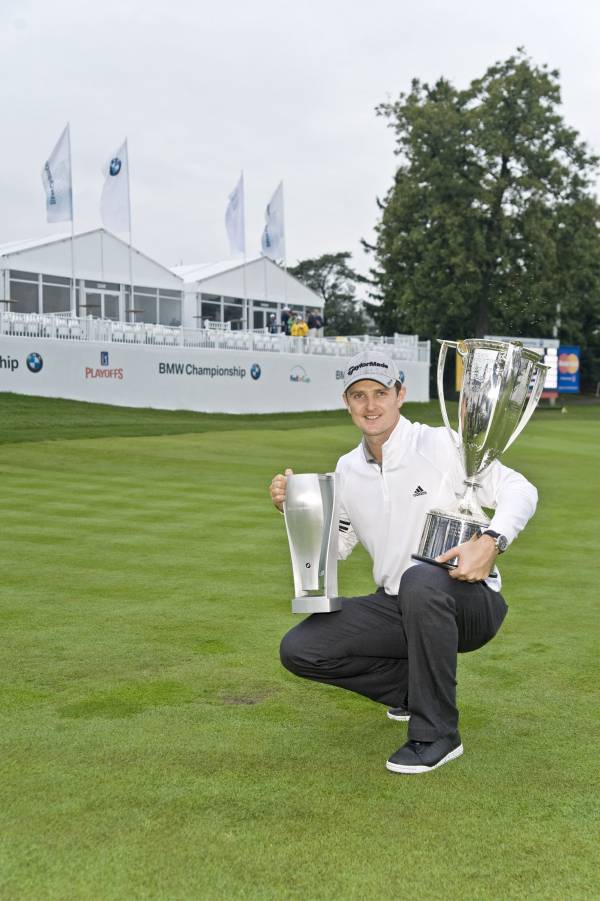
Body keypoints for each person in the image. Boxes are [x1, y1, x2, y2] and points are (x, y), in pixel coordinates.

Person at [269, 350, 537, 774]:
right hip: (397, 603)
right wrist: (296, 512)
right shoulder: (347, 468)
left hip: (468, 600)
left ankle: (438, 734)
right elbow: (337, 544)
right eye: (359, 395)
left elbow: (520, 489)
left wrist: (491, 540)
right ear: (347, 402)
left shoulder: (441, 444)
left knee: (420, 580)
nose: (370, 405)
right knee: (301, 649)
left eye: (380, 392)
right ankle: (416, 691)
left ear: (400, 394)